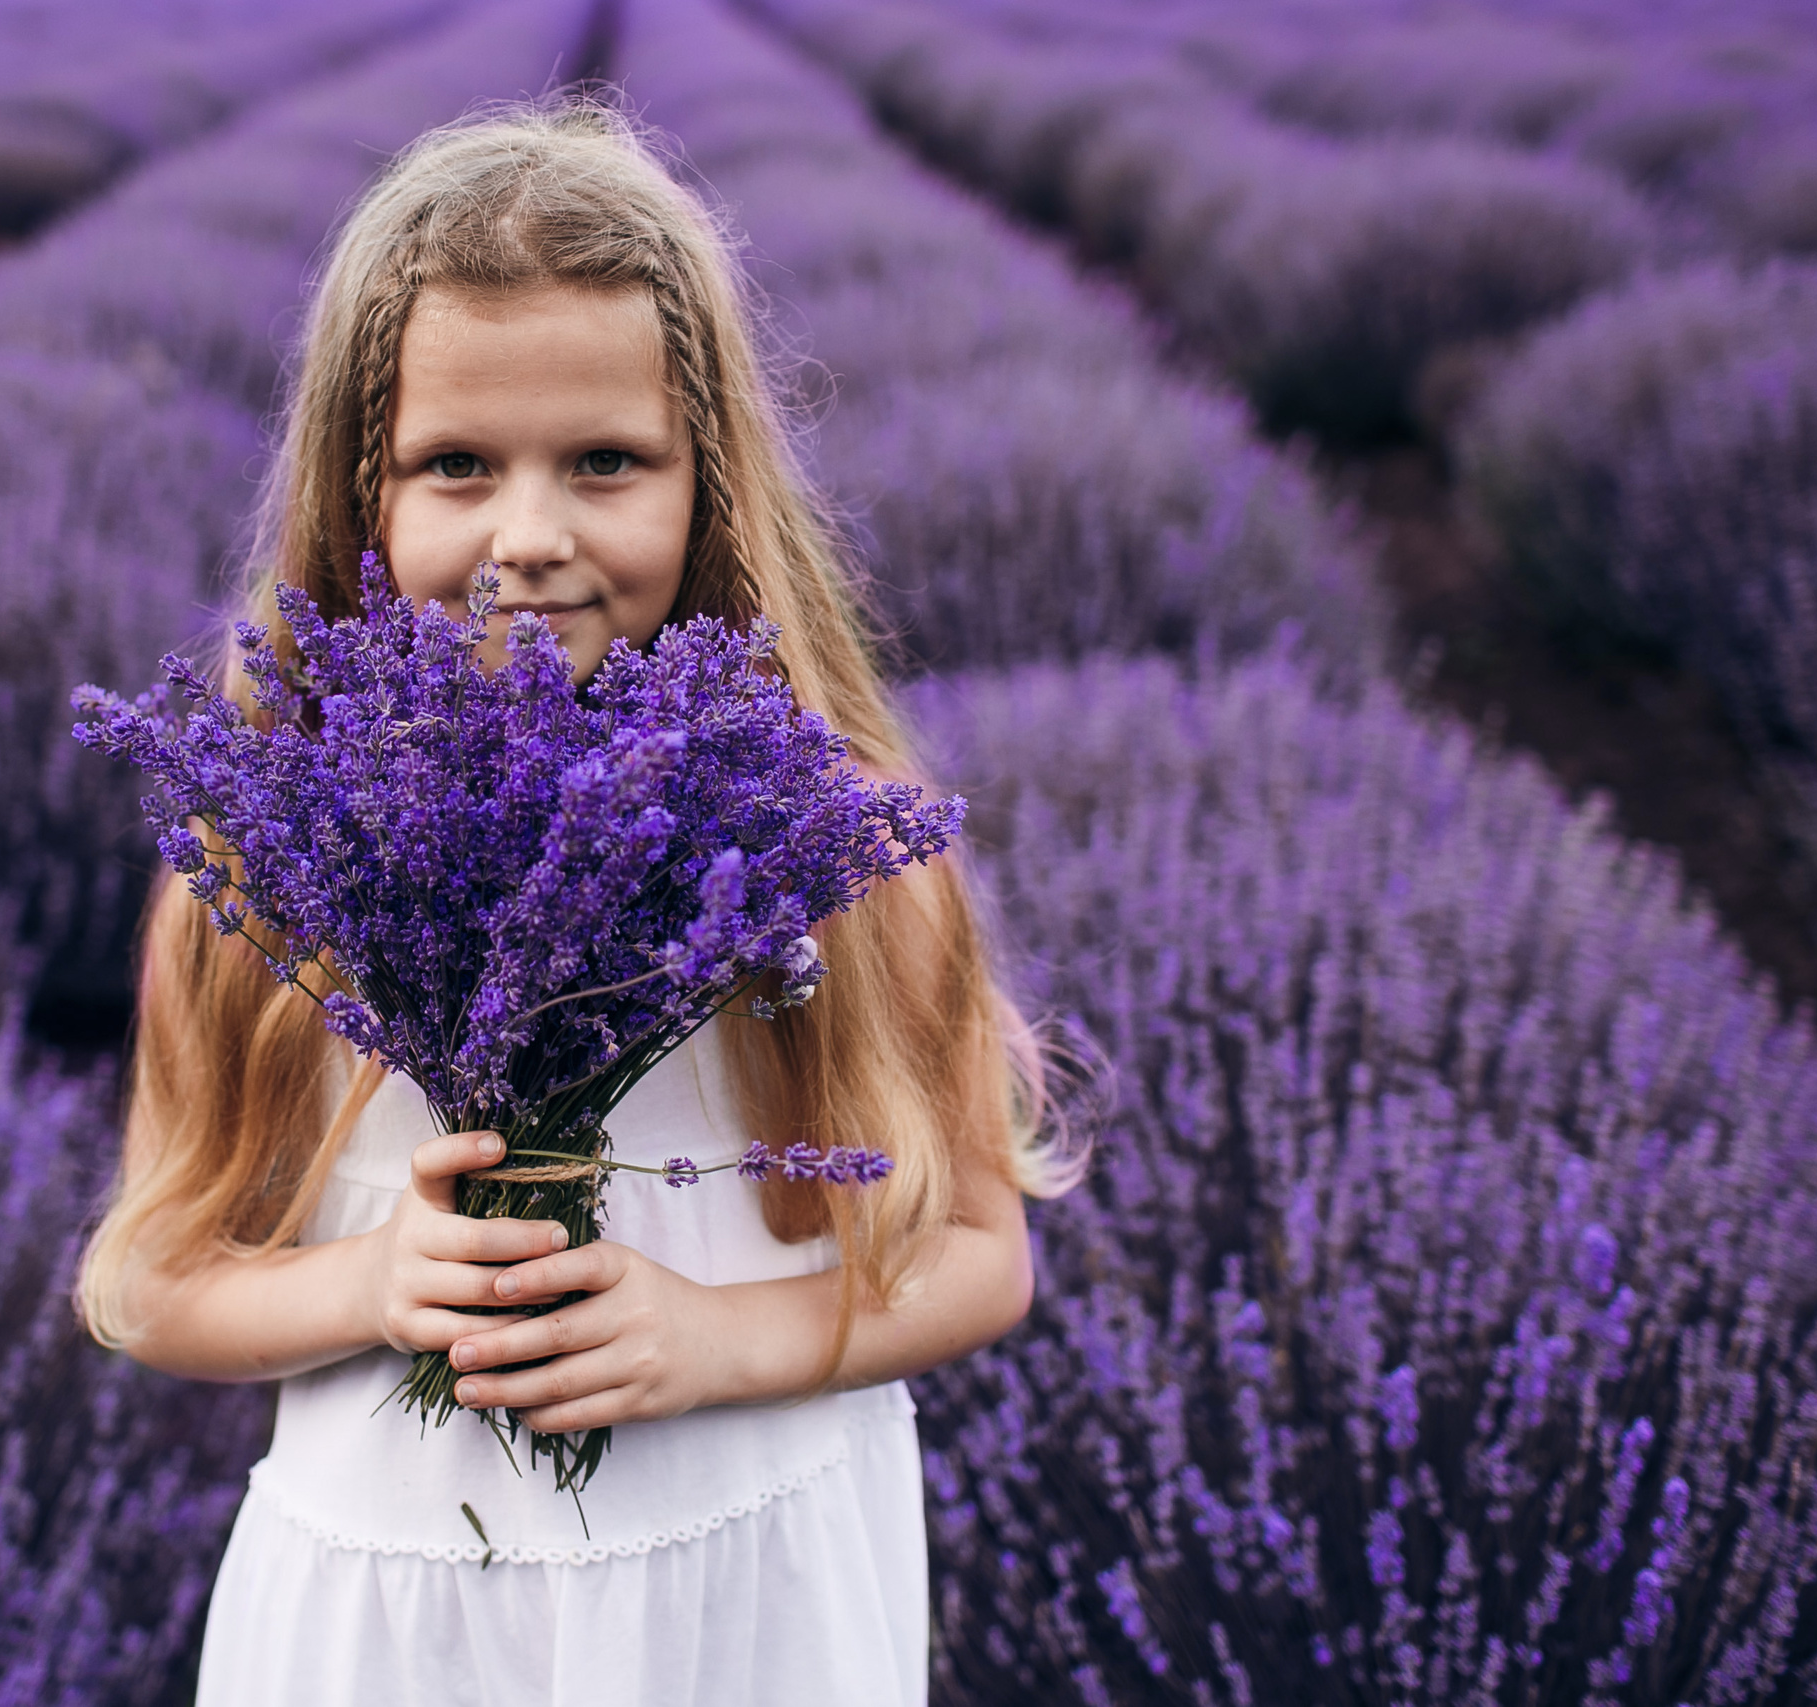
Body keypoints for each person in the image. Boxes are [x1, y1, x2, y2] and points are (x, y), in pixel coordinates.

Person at [74, 97, 1083, 1706]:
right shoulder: (271, 873)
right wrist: (367, 1287)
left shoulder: (826, 846)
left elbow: (978, 1251)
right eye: (455, 465)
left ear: (712, 486)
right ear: (362, 497)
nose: (527, 540)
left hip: (747, 1618)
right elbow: (144, 1281)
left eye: (606, 462)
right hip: (395, 1635)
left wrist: (717, 1339)